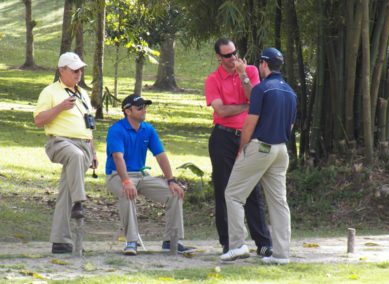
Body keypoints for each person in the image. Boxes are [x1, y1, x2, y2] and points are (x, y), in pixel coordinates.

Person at [220, 47, 297, 264]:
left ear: (263, 64)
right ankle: (281, 255)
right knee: (279, 202)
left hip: (261, 147)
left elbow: (249, 125)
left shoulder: (262, 89)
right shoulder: (291, 92)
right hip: (281, 150)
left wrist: (242, 150)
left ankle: (237, 245)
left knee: (233, 194)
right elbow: (290, 127)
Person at [204, 38, 272, 256]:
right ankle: (230, 243)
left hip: (248, 136)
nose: (232, 58)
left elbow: (255, 97)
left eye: (234, 53)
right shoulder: (213, 79)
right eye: (227, 56)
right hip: (223, 137)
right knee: (224, 189)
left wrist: (243, 76)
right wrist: (245, 106)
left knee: (253, 188)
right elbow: (221, 111)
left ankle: (263, 242)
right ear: (218, 57)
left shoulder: (250, 71)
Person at [105, 94, 195, 255]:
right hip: (118, 175)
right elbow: (118, 158)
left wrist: (171, 180)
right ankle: (131, 241)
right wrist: (126, 181)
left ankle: (171, 241)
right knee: (128, 193)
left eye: (145, 107)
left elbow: (160, 155)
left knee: (174, 194)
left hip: (141, 175)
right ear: (127, 111)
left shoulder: (148, 129)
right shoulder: (116, 130)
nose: (144, 110)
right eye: (139, 108)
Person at [33, 52, 97, 254]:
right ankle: (80, 201)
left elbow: (89, 125)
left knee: (65, 192)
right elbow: (38, 120)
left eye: (80, 70)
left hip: (83, 145)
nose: (79, 73)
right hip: (60, 143)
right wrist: (60, 107)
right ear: (62, 71)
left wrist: (93, 151)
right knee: (75, 156)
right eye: (74, 70)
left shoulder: (83, 94)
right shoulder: (50, 91)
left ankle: (60, 241)